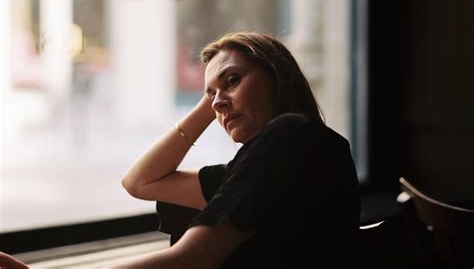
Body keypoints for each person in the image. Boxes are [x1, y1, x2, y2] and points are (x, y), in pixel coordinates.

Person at [0, 31, 360, 268]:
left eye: (234, 79)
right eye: (210, 95)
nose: (218, 104)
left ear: (276, 76)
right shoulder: (268, 165)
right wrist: (216, 100)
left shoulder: (292, 136)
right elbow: (140, 181)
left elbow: (191, 260)